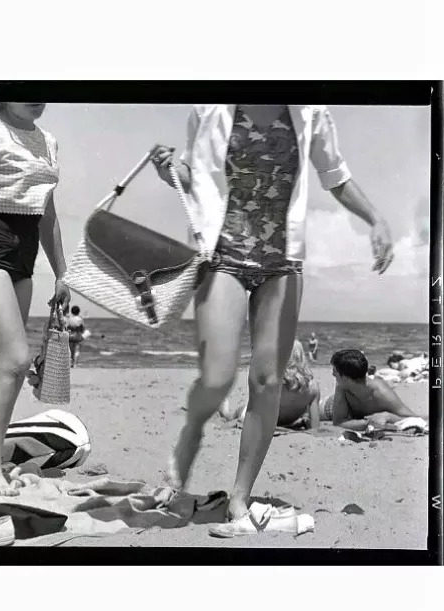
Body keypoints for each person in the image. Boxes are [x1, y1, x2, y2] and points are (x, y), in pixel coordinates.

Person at [151, 104, 393, 531]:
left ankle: (239, 500)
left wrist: (375, 218)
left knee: (266, 382)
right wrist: (170, 171)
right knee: (217, 375)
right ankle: (177, 474)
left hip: (283, 264)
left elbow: (335, 175)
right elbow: (195, 179)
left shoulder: (312, 112)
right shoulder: (208, 108)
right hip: (223, 256)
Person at [0, 102, 70, 497]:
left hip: (25, 254)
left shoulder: (49, 142)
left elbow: (48, 211)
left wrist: (61, 271)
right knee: (15, 361)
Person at [221, 340, 321, 430]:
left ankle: (224, 410)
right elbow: (315, 426)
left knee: (236, 412)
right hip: (290, 422)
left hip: (264, 420)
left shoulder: (272, 382)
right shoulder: (313, 388)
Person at [325, 348, 421, 430]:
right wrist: (368, 423)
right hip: (331, 404)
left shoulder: (381, 392)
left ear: (345, 378)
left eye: (335, 371)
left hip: (346, 410)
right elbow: (338, 423)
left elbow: (416, 420)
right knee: (320, 410)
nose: (332, 374)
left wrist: (388, 416)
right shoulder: (342, 386)